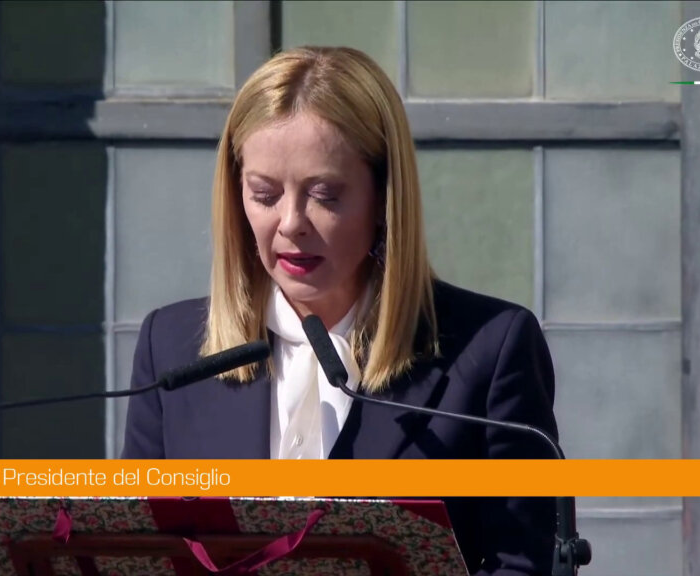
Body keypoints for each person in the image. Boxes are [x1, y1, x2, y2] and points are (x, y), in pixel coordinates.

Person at [122, 46, 559, 576]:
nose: (291, 223)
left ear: (384, 197)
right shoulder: (170, 348)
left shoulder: (490, 347)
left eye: (325, 195)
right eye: (264, 194)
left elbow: (524, 563)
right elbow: (140, 552)